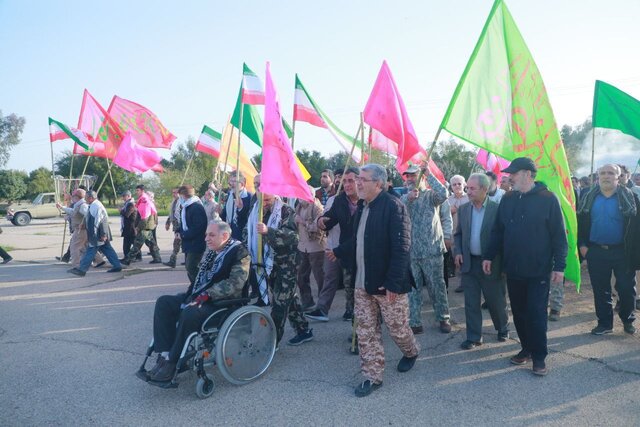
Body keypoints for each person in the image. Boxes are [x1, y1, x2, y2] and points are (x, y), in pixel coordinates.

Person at [332, 164, 418, 397]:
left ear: (379, 184)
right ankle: (373, 376)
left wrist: (392, 282)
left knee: (398, 329)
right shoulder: (362, 206)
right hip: (362, 283)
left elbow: (402, 248)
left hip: (387, 284)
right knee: (366, 332)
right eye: (357, 179)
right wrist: (339, 251)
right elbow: (359, 239)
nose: (357, 183)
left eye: (363, 180)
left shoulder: (394, 207)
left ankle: (411, 352)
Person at [483, 157, 568, 376]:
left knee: (536, 313)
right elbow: (498, 231)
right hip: (513, 269)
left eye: (514, 173)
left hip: (539, 269)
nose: (509, 177)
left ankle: (539, 357)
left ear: (528, 174)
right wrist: (489, 256)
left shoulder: (548, 199)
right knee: (519, 313)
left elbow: (559, 236)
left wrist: (560, 266)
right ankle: (526, 348)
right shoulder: (508, 198)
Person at [144, 221, 250, 383]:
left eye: (211, 235)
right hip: (201, 297)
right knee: (164, 302)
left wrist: (207, 295)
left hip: (223, 303)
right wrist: (191, 295)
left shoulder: (239, 253)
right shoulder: (213, 252)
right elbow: (199, 279)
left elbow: (235, 284)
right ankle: (165, 354)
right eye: (206, 234)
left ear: (225, 236)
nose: (206, 238)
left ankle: (173, 360)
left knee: (190, 312)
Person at [578, 164, 640, 335]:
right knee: (600, 290)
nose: (606, 176)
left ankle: (628, 320)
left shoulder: (631, 197)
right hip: (596, 251)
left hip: (622, 252)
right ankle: (605, 324)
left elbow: (637, 228)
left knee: (627, 288)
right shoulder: (587, 197)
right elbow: (581, 223)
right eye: (602, 173)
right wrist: (582, 246)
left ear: (618, 177)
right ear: (598, 176)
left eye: (610, 173)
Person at [250, 192, 313, 346]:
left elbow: (292, 236)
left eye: (267, 198)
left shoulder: (286, 211)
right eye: (260, 194)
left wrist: (268, 231)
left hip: (287, 263)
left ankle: (271, 342)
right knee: (289, 298)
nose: (264, 201)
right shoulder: (255, 211)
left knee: (279, 302)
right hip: (269, 262)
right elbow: (249, 232)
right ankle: (303, 329)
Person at [454, 173, 509, 349]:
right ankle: (474, 337)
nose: (467, 191)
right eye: (467, 188)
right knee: (471, 302)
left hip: (491, 264)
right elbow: (458, 234)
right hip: (469, 264)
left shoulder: (497, 209)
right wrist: (459, 252)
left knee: (495, 300)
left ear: (484, 189)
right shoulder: (463, 209)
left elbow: (504, 238)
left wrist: (502, 264)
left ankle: (502, 328)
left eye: (472, 188)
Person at [401, 164, 451, 334]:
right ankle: (414, 321)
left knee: (436, 286)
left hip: (432, 250)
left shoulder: (431, 196)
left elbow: (444, 194)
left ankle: (443, 317)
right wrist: (408, 198)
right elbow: (398, 215)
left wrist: (430, 175)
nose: (409, 179)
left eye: (413, 175)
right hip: (412, 252)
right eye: (407, 176)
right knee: (413, 290)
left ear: (421, 177)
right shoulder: (404, 199)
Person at [316, 167, 361, 321]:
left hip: (365, 254)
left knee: (365, 292)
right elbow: (331, 217)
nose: (347, 185)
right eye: (345, 181)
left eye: (351, 181)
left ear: (359, 181)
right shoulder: (340, 200)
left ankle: (368, 323)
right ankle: (355, 323)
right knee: (350, 288)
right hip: (347, 254)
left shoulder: (367, 200)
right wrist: (321, 221)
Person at [68, 191, 122, 276]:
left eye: (86, 198)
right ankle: (117, 265)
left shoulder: (96, 206)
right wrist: (84, 223)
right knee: (107, 249)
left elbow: (101, 221)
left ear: (90, 198)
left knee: (90, 251)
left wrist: (103, 234)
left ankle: (82, 270)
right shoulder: (93, 205)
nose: (84, 199)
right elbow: (90, 218)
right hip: (99, 232)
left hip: (98, 233)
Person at [294, 189, 326, 311]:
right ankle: (307, 302)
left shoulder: (317, 207)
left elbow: (318, 227)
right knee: (301, 276)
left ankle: (322, 305)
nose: (300, 196)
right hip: (302, 247)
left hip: (316, 247)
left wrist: (302, 221)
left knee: (320, 278)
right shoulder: (299, 207)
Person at [121, 185, 162, 265]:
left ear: (142, 191)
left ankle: (127, 260)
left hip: (145, 225)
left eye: (138, 190)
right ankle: (157, 258)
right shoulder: (143, 199)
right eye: (136, 190)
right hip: (148, 225)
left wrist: (138, 228)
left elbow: (144, 217)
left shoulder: (144, 200)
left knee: (137, 244)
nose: (136, 192)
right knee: (151, 243)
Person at [175, 185, 208, 285]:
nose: (179, 199)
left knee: (192, 266)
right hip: (188, 243)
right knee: (189, 267)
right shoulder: (186, 207)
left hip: (196, 242)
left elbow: (199, 227)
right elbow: (184, 223)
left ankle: (202, 285)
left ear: (183, 196)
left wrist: (184, 235)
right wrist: (178, 231)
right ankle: (194, 286)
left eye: (180, 196)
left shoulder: (196, 207)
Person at [56, 189, 89, 269]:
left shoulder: (82, 205)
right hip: (81, 230)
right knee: (87, 247)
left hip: (81, 230)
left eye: (73, 196)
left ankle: (76, 265)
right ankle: (100, 261)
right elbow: (72, 211)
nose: (71, 198)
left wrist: (83, 224)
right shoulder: (78, 204)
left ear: (76, 197)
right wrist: (62, 207)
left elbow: (88, 215)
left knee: (74, 247)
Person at [220, 172, 252, 241]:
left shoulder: (249, 197)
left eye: (234, 181)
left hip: (241, 237)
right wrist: (220, 212)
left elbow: (247, 218)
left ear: (243, 183)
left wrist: (241, 208)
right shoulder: (230, 194)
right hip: (228, 234)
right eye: (230, 181)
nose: (231, 184)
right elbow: (225, 215)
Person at [163, 188, 181, 268]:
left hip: (181, 226)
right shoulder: (174, 202)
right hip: (176, 226)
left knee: (177, 244)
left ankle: (172, 261)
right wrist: (168, 222)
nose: (174, 194)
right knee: (178, 244)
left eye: (175, 192)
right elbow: (171, 214)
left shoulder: (182, 202)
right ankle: (173, 261)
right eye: (173, 192)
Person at [120, 190, 139, 261]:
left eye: (124, 196)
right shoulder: (127, 203)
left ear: (128, 196)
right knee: (128, 243)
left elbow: (127, 215)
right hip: (128, 227)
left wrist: (121, 211)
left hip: (131, 227)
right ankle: (128, 257)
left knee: (130, 243)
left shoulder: (131, 204)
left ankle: (135, 257)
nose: (123, 198)